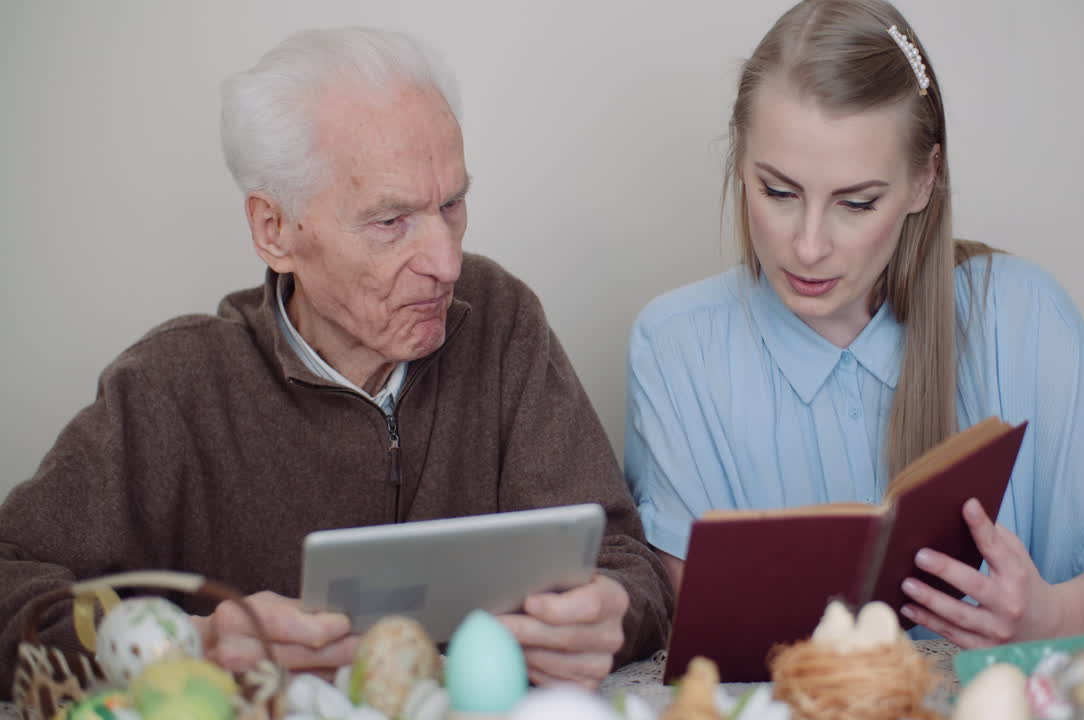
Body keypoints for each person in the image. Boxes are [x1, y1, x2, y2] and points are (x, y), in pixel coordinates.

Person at [0, 27, 672, 695]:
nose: (445, 263)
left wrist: (612, 608)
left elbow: (624, 564)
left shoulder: (501, 320)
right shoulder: (171, 388)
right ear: (275, 230)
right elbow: (10, 588)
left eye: (452, 204)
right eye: (390, 221)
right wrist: (188, 645)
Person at [624, 0, 1084, 648]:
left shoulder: (1022, 314)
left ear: (923, 180)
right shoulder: (675, 348)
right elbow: (705, 635)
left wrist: (1047, 616)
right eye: (778, 192)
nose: (807, 245)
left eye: (857, 202)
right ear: (740, 160)